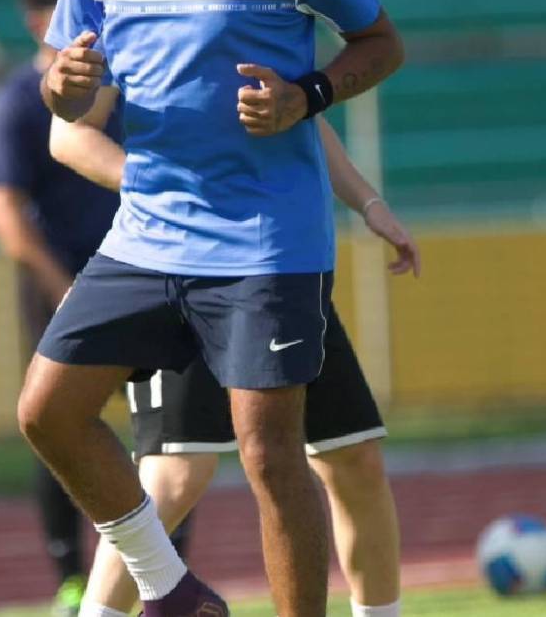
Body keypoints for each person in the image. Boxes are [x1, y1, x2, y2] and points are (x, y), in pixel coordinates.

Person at [16, 0, 405, 617]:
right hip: (149, 232)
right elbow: (64, 89)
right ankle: (173, 592)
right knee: (46, 412)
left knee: (273, 457)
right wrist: (65, 88)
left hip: (266, 239)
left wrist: (307, 95)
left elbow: (382, 43)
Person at [53, 93, 416, 617]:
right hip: (181, 264)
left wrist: (369, 203)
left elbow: (305, 122)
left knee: (353, 458)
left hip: (282, 263)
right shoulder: (125, 14)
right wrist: (156, 192)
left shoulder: (272, 13)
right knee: (175, 474)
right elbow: (66, 134)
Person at [0, 0, 191, 615]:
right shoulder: (20, 101)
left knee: (168, 437)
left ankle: (171, 574)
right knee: (58, 423)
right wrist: (60, 284)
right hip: (66, 284)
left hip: (149, 273)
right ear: (41, 21)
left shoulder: (129, 80)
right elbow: (5, 207)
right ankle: (73, 578)